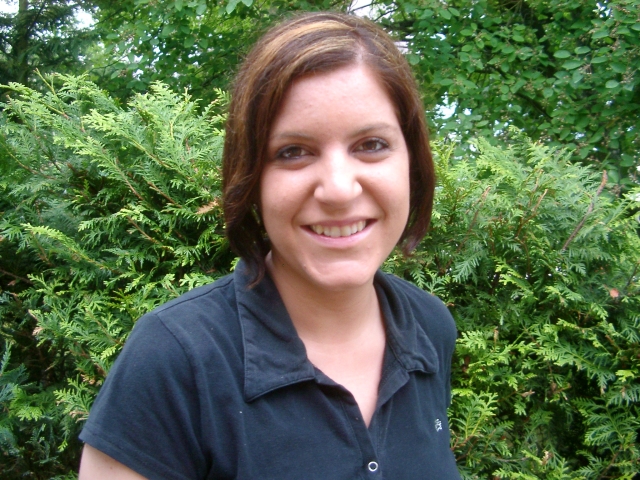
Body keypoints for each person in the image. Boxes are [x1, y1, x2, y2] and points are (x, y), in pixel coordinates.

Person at [78, 12, 461, 479]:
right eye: (293, 152)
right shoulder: (174, 360)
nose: (339, 189)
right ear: (250, 177)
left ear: (412, 162)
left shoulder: (430, 327)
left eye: (371, 144)